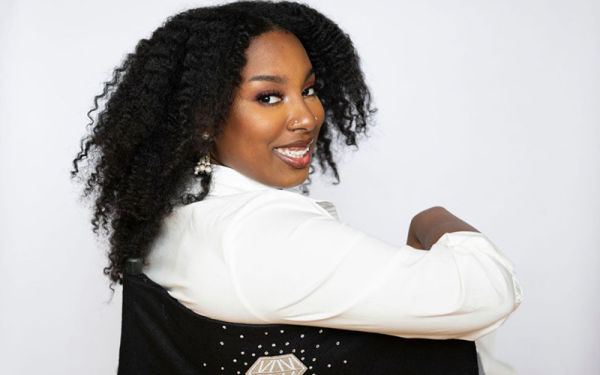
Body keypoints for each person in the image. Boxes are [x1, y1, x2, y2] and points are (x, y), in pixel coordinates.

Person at [71, 1, 523, 374]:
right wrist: (431, 219)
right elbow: (488, 293)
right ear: (204, 118)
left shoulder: (176, 218)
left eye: (309, 89)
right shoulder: (261, 236)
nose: (307, 117)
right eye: (268, 96)